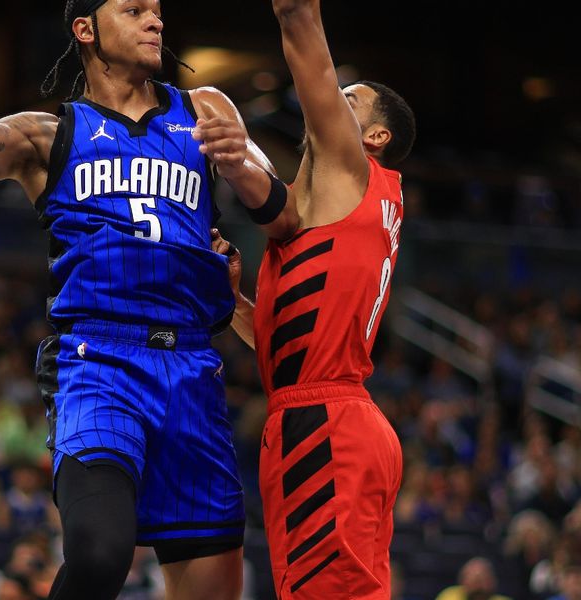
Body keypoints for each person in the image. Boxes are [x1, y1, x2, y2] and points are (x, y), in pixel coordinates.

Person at [0, 1, 297, 599]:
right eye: (135, 9)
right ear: (85, 28)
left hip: (194, 367)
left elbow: (284, 210)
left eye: (159, 11)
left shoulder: (205, 109)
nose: (156, 21)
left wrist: (242, 161)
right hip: (99, 362)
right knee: (98, 554)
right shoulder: (49, 134)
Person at [212, 0, 416, 596]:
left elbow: (300, 23)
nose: (327, 101)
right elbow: (300, 346)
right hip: (329, 411)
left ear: (374, 136)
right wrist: (239, 309)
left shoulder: (350, 168)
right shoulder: (337, 209)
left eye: (348, 99)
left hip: (326, 424)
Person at [435, 557, 512, 600]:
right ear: (462, 581)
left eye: (482, 580)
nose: (478, 587)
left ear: (493, 581)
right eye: (474, 581)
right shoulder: (449, 596)